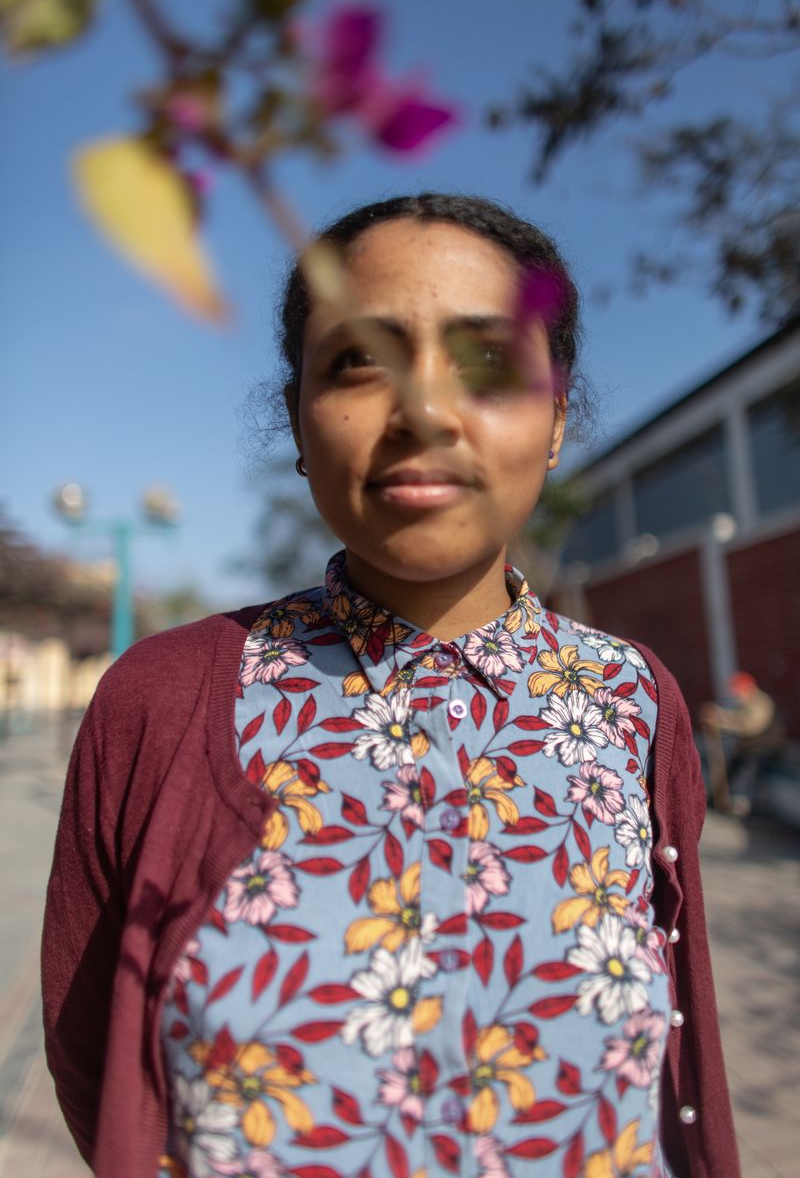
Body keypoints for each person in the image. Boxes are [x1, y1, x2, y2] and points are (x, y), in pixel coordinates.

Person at [42, 194, 739, 1178]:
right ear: (297, 416)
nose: (422, 413)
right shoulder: (162, 699)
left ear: (554, 419)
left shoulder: (634, 702)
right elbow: (94, 1064)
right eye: (360, 361)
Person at [700, 670, 784, 814]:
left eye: (738, 692)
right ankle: (718, 798)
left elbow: (749, 725)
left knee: (747, 771)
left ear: (748, 689)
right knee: (731, 769)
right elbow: (739, 719)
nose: (736, 695)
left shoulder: (761, 703)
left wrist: (721, 719)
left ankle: (741, 802)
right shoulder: (745, 703)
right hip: (748, 749)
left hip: (765, 749)